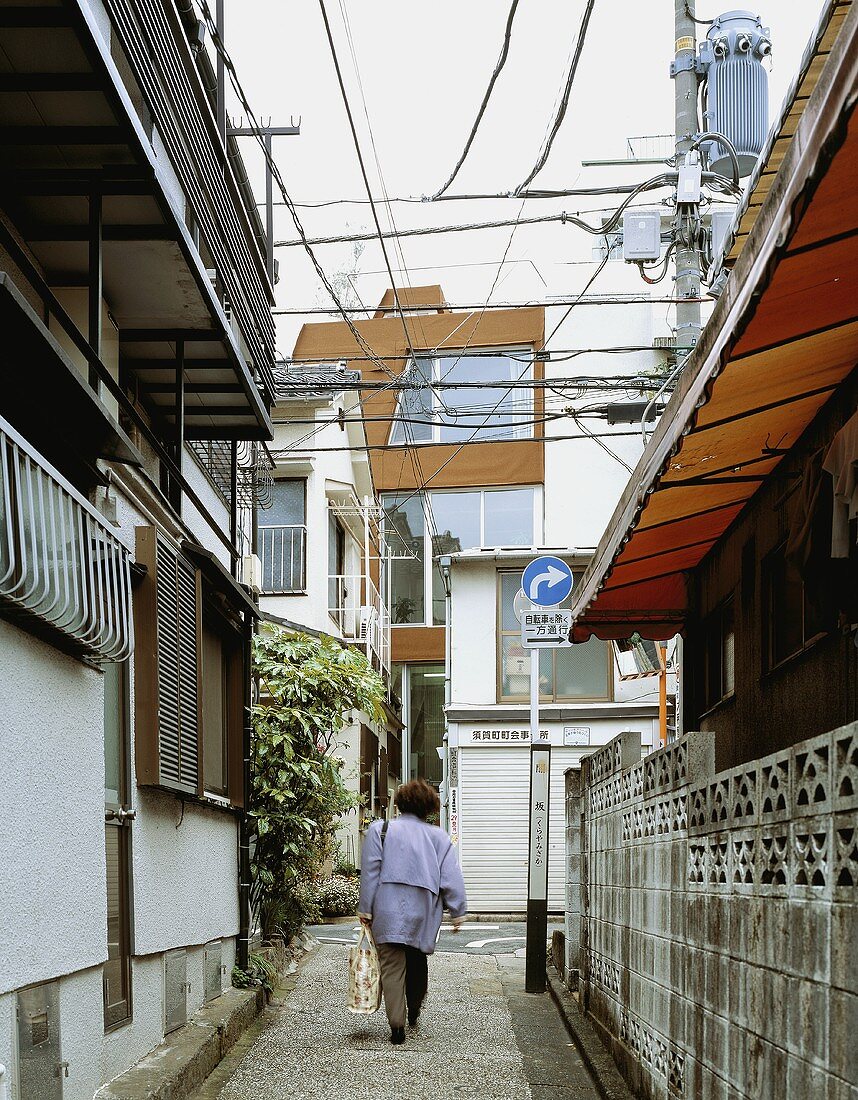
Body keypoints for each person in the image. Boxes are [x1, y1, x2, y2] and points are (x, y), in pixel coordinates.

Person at [358, 778, 467, 1045]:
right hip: (424, 910)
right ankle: (415, 1008)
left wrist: (365, 910)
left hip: (387, 907)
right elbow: (451, 877)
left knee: (392, 965)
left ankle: (397, 1025)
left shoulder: (379, 830)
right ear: (428, 808)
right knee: (417, 959)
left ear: (400, 804)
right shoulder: (439, 837)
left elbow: (370, 874)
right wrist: (458, 910)